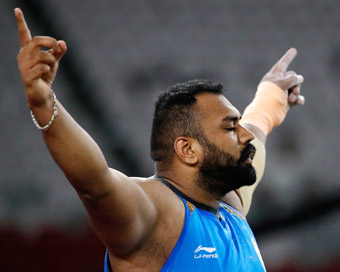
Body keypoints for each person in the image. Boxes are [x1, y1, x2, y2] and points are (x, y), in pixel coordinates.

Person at [15, 7, 305, 272]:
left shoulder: (230, 211)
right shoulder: (156, 214)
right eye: (231, 128)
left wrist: (270, 97)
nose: (246, 135)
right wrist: (43, 103)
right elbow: (95, 183)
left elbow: (257, 128)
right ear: (188, 149)